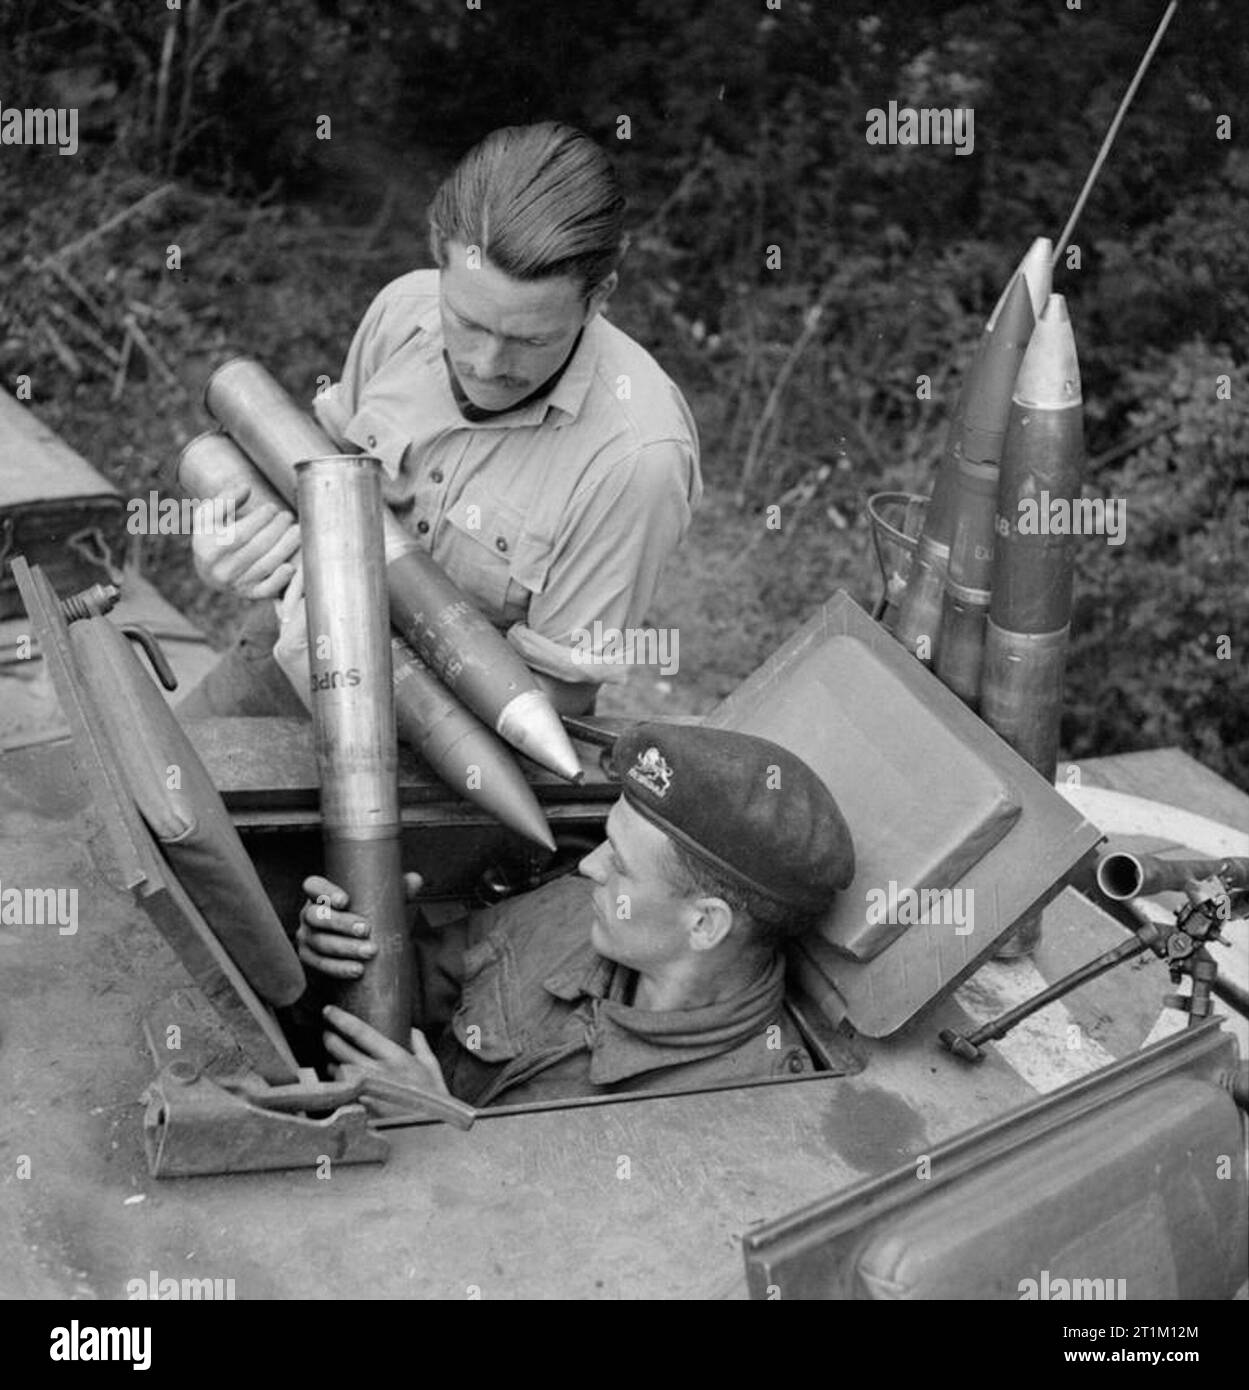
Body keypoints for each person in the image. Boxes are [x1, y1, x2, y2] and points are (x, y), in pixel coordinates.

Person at [179, 122, 701, 720]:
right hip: (285, 652)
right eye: (468, 321)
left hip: (449, 742)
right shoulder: (403, 310)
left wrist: (374, 690)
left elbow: (556, 696)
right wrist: (230, 545)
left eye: (530, 339)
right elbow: (309, 482)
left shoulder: (637, 461)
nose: (486, 365)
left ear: (599, 294)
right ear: (439, 256)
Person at [298, 723, 856, 1109]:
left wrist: (436, 1135)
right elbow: (409, 986)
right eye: (604, 842)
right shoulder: (577, 915)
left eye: (622, 865)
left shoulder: (749, 1109)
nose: (588, 867)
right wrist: (347, 950)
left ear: (705, 924)